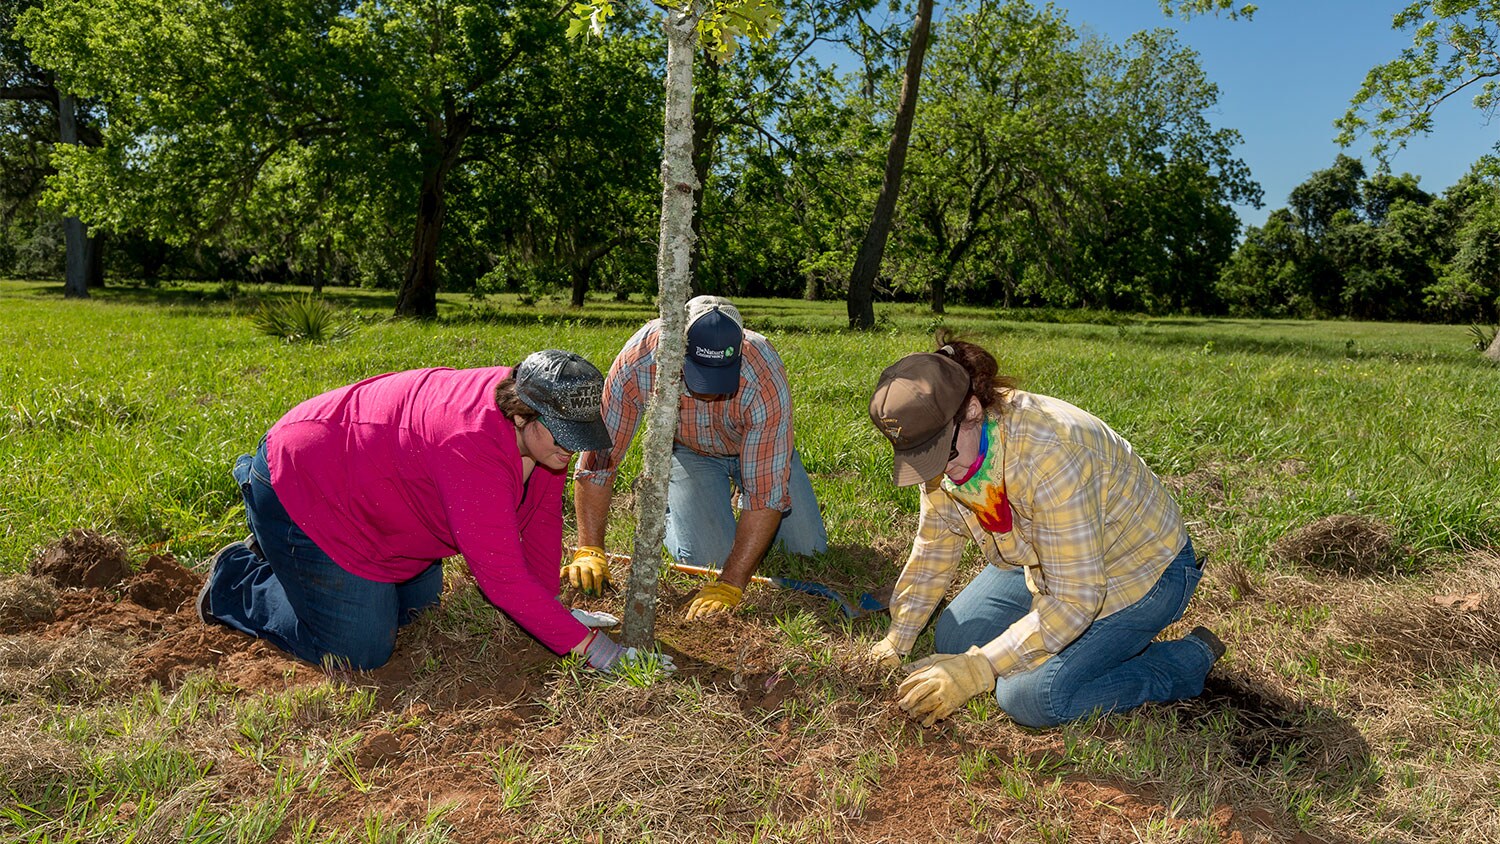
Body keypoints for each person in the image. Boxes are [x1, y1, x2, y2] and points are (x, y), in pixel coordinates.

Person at [198, 350, 669, 674]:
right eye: (565, 435)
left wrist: (551, 606)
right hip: (307, 485)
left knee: (415, 612)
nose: (573, 448)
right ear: (521, 415)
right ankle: (238, 578)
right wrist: (598, 653)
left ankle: (291, 556)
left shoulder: (543, 426)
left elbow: (541, 518)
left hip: (374, 496)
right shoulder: (470, 446)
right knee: (360, 650)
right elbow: (503, 580)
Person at [865, 337, 1223, 728]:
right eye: (923, 459)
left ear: (971, 410)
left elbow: (1075, 599)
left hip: (1140, 572)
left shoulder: (1052, 452)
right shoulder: (946, 442)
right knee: (955, 638)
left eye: (942, 454)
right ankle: (1093, 648)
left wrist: (980, 667)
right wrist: (898, 639)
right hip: (1045, 558)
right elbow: (934, 546)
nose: (938, 471)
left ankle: (1182, 662)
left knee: (1030, 696)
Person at [568, 295, 829, 620]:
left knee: (807, 549)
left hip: (758, 449)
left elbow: (767, 494)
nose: (709, 391)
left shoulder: (761, 367)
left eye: (720, 376)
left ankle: (725, 501)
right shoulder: (641, 360)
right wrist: (590, 547)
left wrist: (731, 584)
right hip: (692, 453)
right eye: (700, 374)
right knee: (708, 559)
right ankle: (662, 507)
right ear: (678, 349)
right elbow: (599, 457)